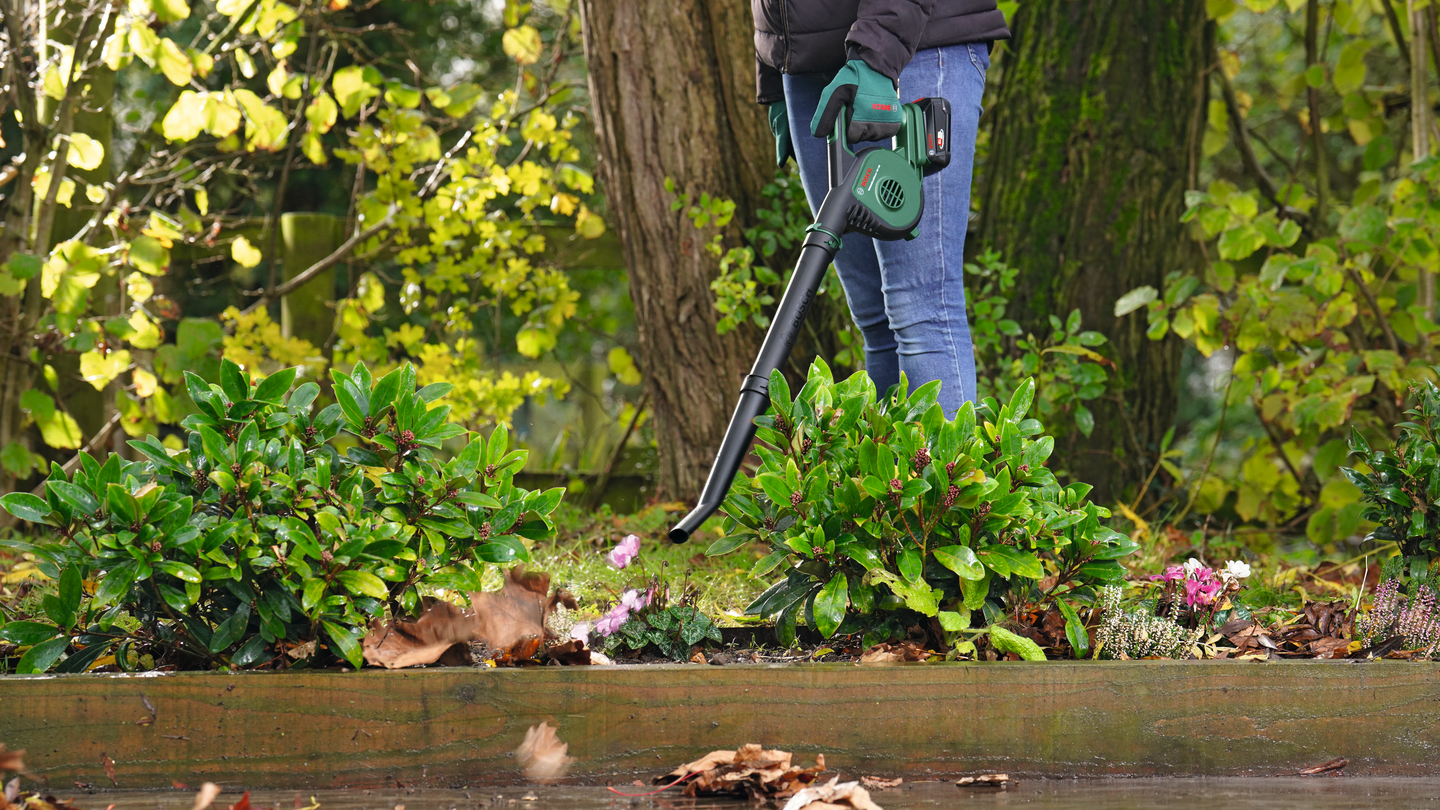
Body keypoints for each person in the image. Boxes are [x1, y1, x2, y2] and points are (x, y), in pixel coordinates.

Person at [754, 0, 1009, 415]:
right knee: (875, 318)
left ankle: (943, 477)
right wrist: (772, 65)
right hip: (806, 68)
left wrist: (877, 54)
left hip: (914, 45)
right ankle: (896, 477)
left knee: (921, 311)